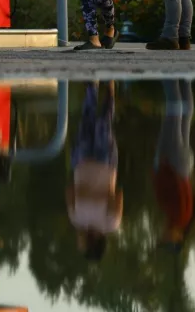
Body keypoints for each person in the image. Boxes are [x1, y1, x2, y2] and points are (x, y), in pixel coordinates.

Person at [66, 81, 123, 262]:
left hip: (81, 163)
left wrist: (95, 195)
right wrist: (90, 194)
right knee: (104, 123)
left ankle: (92, 86)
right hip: (104, 163)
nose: (78, 244)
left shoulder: (76, 220)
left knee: (86, 120)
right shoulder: (111, 224)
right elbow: (119, 195)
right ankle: (110, 91)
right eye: (83, 247)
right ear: (92, 244)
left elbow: (69, 191)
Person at [154, 79, 195, 252]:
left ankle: (186, 80)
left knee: (185, 118)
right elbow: (176, 189)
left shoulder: (184, 218)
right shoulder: (178, 217)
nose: (163, 235)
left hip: (185, 166)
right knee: (174, 114)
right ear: (179, 237)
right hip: (173, 164)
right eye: (168, 240)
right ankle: (171, 76)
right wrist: (165, 166)